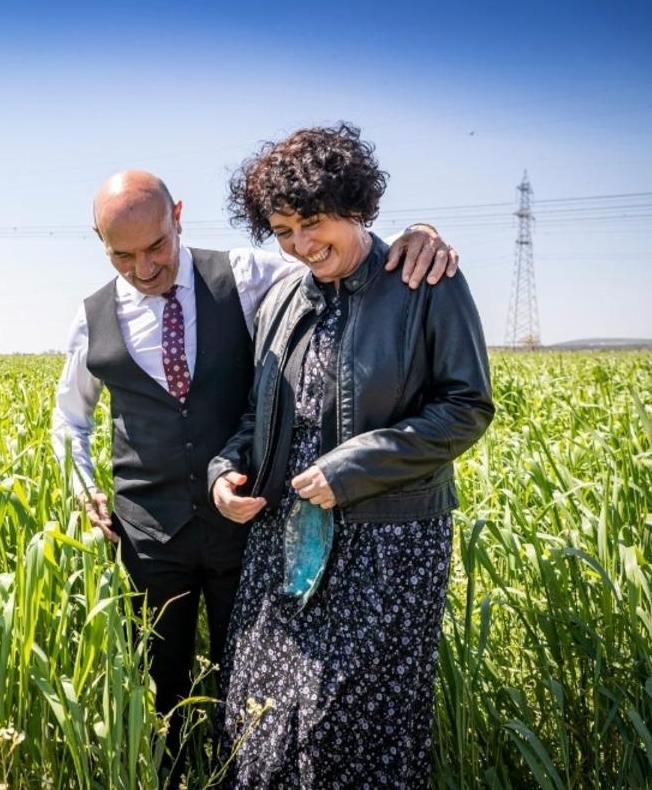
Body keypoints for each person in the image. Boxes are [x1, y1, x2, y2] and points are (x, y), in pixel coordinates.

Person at [50, 169, 458, 768]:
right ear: (98, 240)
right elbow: (71, 421)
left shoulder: (244, 276)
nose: (143, 268)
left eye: (156, 247)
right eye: (122, 255)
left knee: (246, 680)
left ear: (179, 215)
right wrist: (83, 489)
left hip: (245, 527)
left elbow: (341, 258)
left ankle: (233, 776)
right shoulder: (90, 320)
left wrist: (418, 233)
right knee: (160, 678)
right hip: (148, 533)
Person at [207, 124, 494, 788]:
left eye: (313, 223)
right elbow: (259, 414)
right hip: (283, 540)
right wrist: (225, 472)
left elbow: (466, 405)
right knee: (268, 716)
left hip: (388, 545)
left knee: (354, 721)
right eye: (282, 231)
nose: (301, 244)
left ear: (356, 205)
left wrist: (349, 469)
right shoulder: (281, 299)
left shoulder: (426, 281)